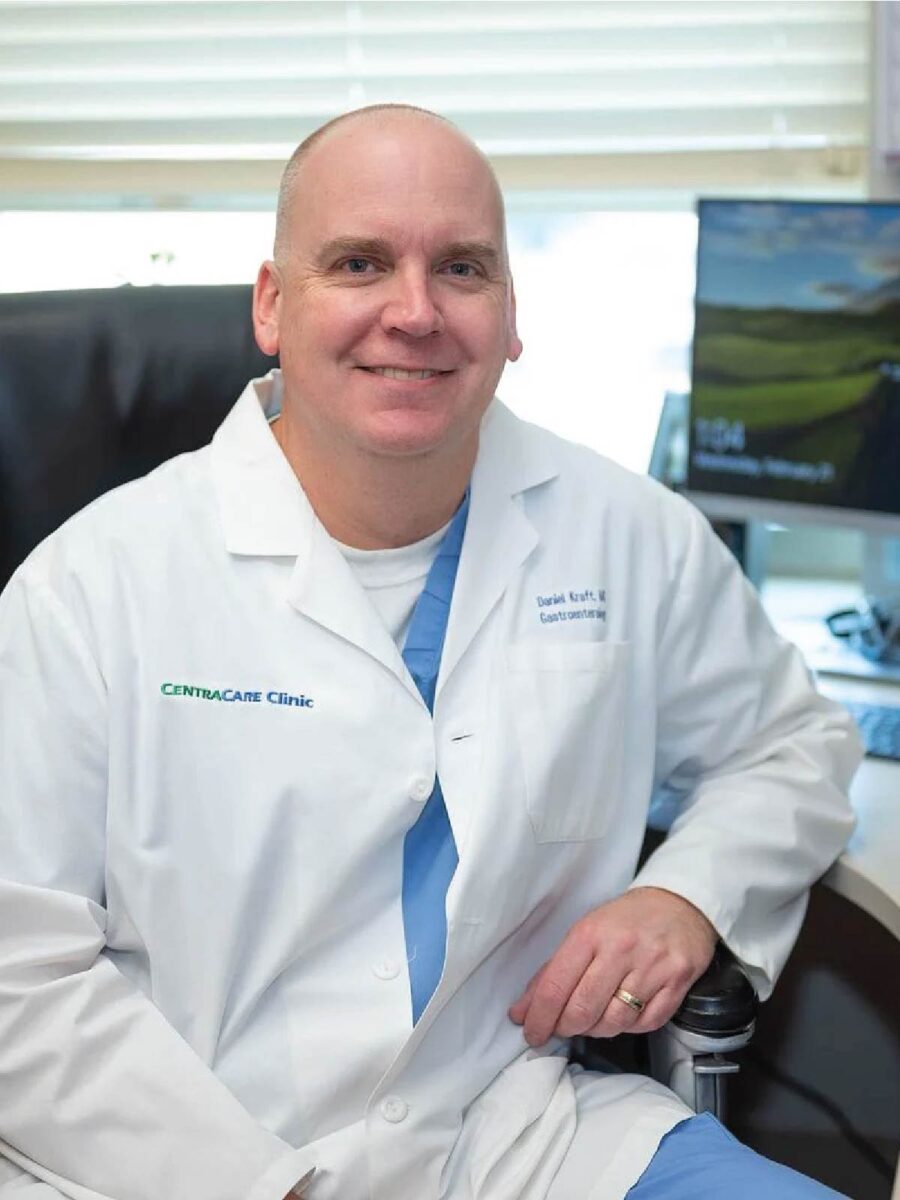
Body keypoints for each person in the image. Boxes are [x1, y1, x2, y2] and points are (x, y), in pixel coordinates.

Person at [0, 105, 861, 1200]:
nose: (414, 313)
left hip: (518, 1137)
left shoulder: (626, 532)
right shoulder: (90, 587)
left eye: (461, 268)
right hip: (172, 1159)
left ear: (510, 316)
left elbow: (788, 746)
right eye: (359, 262)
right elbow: (16, 978)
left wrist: (686, 897)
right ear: (273, 305)